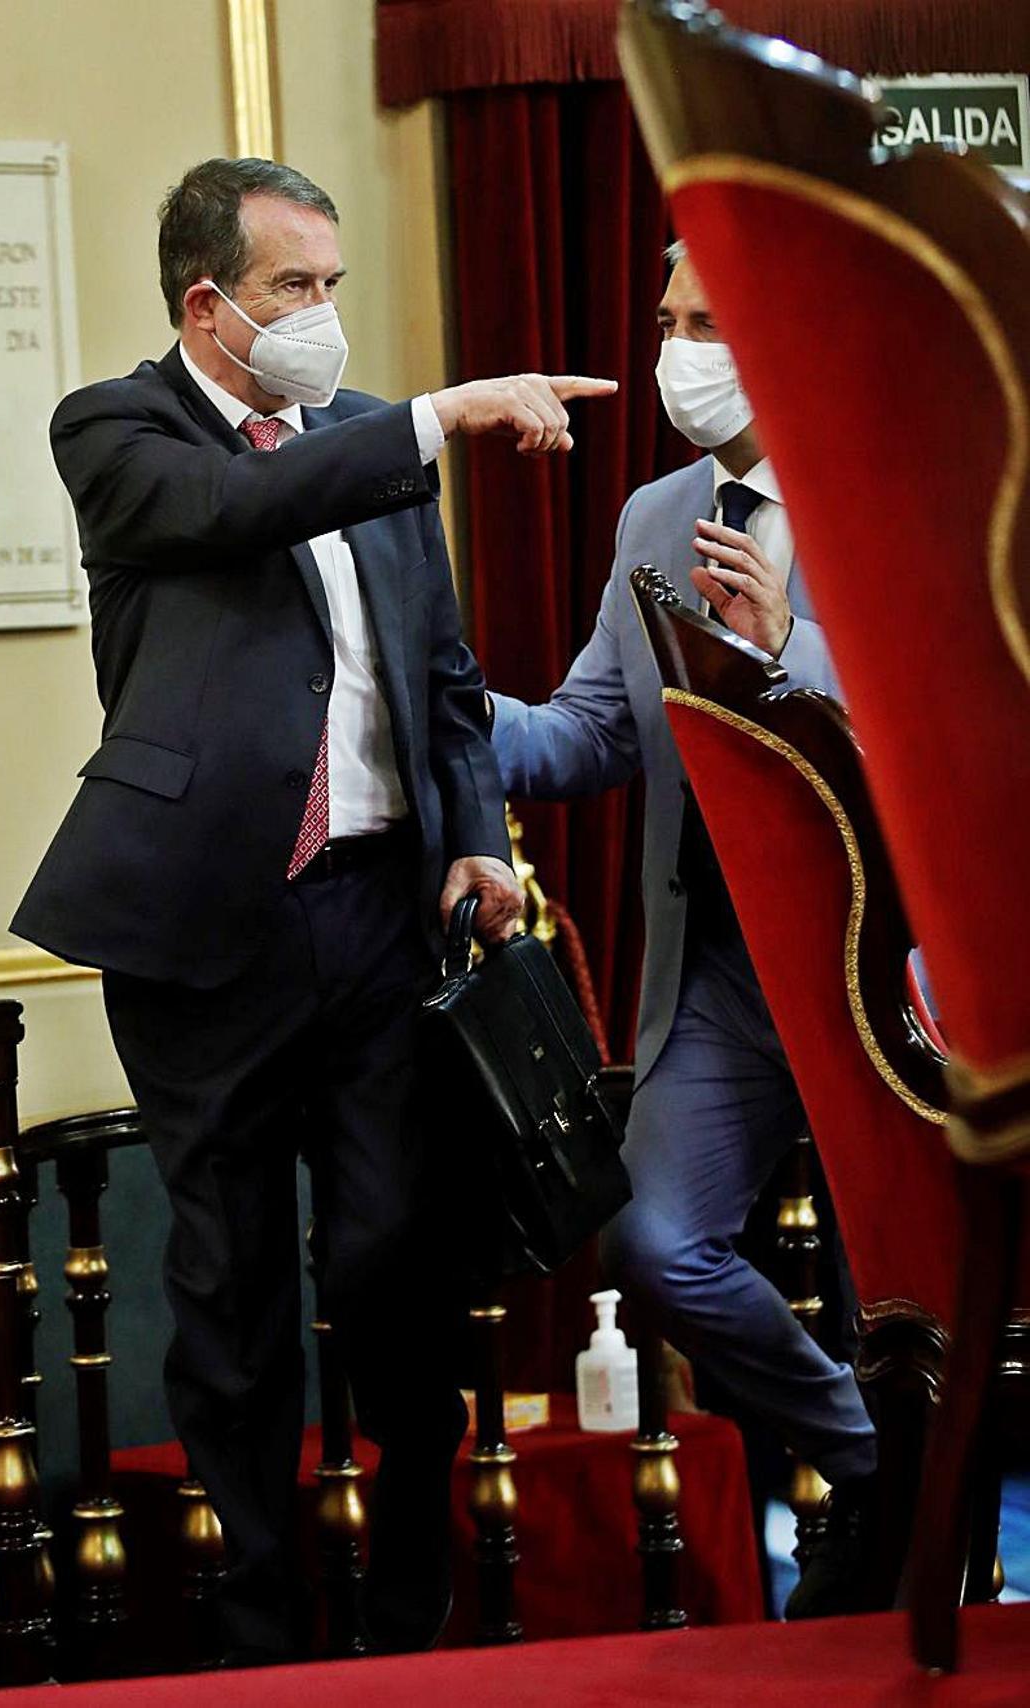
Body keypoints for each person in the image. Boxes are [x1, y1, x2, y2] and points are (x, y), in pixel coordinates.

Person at [11, 156, 616, 1664]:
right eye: (296, 289)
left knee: (395, 1264)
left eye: (335, 286)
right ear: (208, 302)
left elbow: (445, 679)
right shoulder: (119, 430)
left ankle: (413, 1612)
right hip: (210, 931)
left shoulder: (368, 445)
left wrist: (473, 835)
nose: (325, 317)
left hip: (376, 918)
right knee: (230, 1293)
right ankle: (262, 1636)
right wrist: (434, 419)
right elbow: (236, 506)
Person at [489, 241, 879, 1619]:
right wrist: (431, 703)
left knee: (923, 1290)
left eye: (709, 320)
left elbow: (962, 724)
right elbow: (592, 727)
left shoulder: (888, 482)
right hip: (719, 968)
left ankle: (932, 1503)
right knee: (653, 1247)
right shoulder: (656, 514)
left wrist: (791, 655)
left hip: (883, 976)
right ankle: (869, 1461)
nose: (678, 352)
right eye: (667, 321)